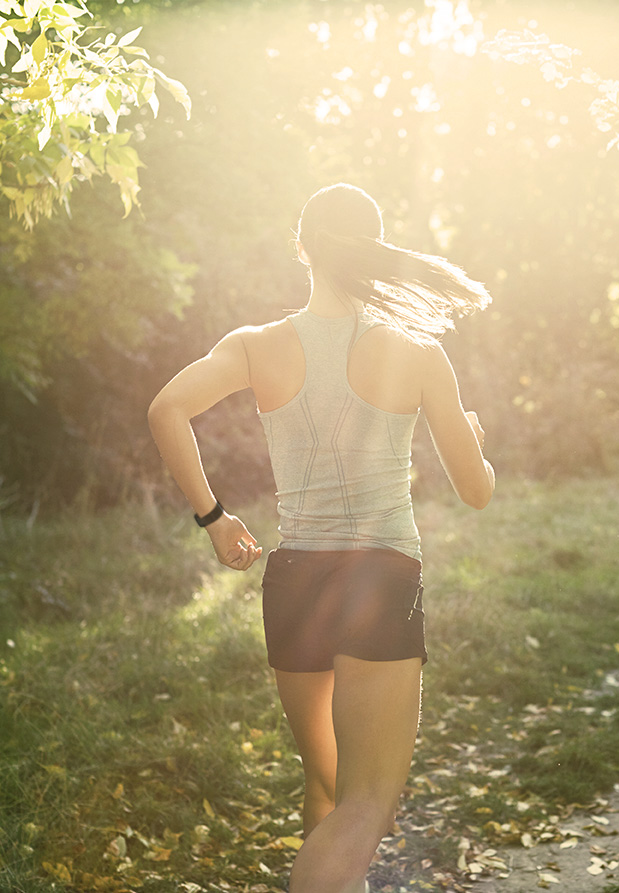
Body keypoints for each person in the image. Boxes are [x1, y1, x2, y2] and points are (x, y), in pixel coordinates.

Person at [148, 183, 495, 893]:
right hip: (380, 576)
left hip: (296, 579)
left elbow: (166, 407)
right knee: (368, 802)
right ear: (371, 249)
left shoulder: (256, 345)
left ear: (301, 245)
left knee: (329, 790)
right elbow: (476, 489)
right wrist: (478, 444)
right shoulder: (417, 353)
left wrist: (215, 520)